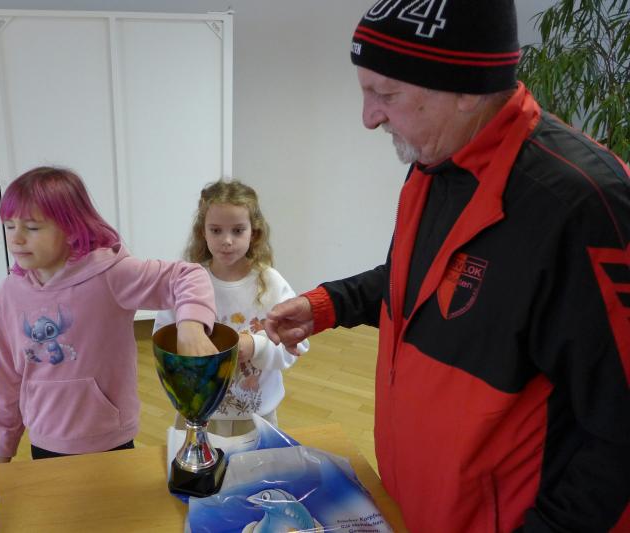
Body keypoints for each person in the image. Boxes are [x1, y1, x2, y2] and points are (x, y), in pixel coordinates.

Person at [265, 2, 630, 532]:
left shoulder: (584, 205)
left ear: (467, 89)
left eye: (386, 94)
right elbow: (423, 283)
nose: (369, 117)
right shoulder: (435, 164)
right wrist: (327, 305)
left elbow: (618, 435)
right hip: (418, 507)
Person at [0, 166, 217, 463]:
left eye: (32, 227)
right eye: (9, 226)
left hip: (109, 439)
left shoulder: (111, 274)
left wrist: (191, 326)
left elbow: (187, 276)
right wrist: (3, 448)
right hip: (44, 438)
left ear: (71, 228)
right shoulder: (10, 292)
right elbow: (7, 377)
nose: (16, 239)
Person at [154, 179, 307, 437]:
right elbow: (164, 339)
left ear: (254, 233)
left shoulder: (271, 283)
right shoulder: (186, 282)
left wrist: (256, 346)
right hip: (197, 412)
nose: (226, 240)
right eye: (216, 230)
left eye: (237, 230)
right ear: (202, 232)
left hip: (256, 416)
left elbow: (297, 344)